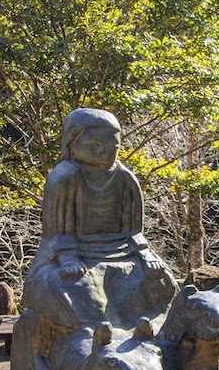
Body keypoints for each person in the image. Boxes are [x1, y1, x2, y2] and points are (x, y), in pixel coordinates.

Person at [23, 108, 176, 329]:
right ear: (71, 143)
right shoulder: (65, 176)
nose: (102, 151)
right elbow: (57, 234)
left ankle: (146, 331)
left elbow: (133, 230)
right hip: (74, 251)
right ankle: (93, 335)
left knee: (161, 280)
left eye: (111, 146)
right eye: (93, 145)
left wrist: (144, 253)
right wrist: (68, 258)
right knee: (66, 286)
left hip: (121, 248)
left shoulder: (124, 178)